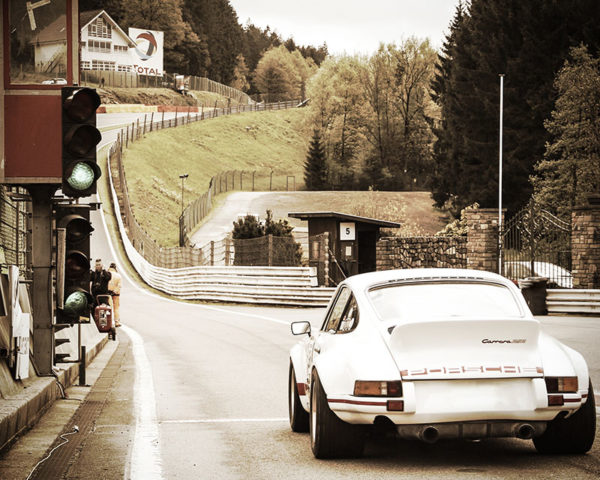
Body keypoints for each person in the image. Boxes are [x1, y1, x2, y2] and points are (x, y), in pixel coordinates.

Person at [107, 263, 122, 327]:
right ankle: (117, 322)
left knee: (108, 308)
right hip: (116, 294)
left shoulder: (107, 274)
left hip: (107, 293)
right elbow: (119, 286)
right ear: (115, 268)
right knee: (116, 308)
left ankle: (108, 322)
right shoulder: (118, 276)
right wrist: (114, 291)